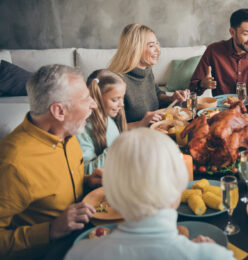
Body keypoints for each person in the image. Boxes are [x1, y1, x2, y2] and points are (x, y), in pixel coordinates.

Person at [65, 128, 235, 260]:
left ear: (112, 190)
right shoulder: (215, 256)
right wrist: (205, 252)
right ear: (178, 184)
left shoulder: (80, 253)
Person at [0, 64, 102, 259]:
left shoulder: (68, 134)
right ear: (59, 111)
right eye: (85, 98)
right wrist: (50, 230)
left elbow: (53, 185)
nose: (94, 104)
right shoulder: (13, 164)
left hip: (84, 235)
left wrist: (87, 181)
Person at [109, 23, 189, 128]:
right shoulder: (117, 81)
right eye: (151, 45)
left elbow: (156, 94)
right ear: (135, 49)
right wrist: (141, 123)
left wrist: (172, 98)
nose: (158, 50)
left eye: (157, 44)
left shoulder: (146, 70)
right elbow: (110, 128)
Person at [76, 69, 127, 175]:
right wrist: (116, 149)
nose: (121, 104)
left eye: (122, 98)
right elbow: (86, 171)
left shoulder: (109, 119)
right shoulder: (83, 130)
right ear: (97, 99)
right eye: (115, 100)